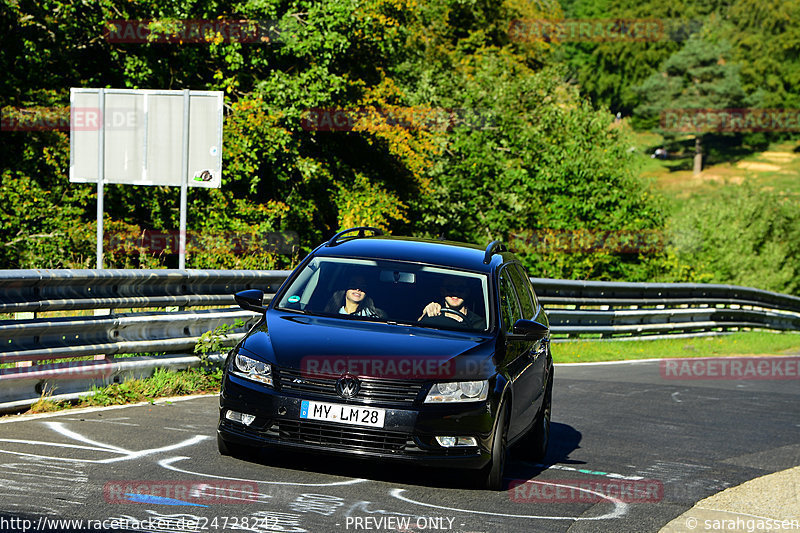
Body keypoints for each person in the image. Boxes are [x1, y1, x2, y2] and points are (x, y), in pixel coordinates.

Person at [418, 277, 484, 329]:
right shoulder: (434, 314)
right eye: (450, 288)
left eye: (460, 289)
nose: (455, 293)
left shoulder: (478, 323)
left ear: (467, 292)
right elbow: (419, 332)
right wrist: (425, 314)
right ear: (442, 291)